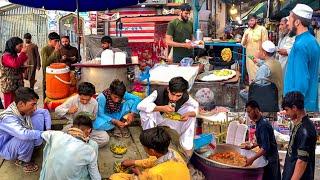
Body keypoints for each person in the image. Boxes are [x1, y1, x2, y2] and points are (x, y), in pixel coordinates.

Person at [138, 77, 198, 156]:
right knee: (145, 111)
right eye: (172, 94)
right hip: (158, 118)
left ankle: (185, 146)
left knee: (191, 112)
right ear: (168, 89)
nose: (174, 98)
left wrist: (188, 114)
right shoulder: (158, 92)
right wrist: (161, 108)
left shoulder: (185, 96)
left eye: (178, 96)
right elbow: (140, 106)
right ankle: (150, 139)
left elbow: (196, 106)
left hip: (172, 120)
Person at [109, 127, 190, 180]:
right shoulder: (174, 153)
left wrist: (139, 174)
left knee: (114, 177)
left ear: (152, 151)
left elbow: (152, 174)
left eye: (144, 146)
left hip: (155, 175)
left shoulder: (154, 173)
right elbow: (153, 160)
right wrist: (133, 162)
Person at [40, 115, 101, 180]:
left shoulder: (56, 135)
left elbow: (41, 134)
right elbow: (95, 177)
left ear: (72, 127)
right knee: (93, 146)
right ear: (89, 131)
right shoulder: (89, 150)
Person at [284, 4, 320, 111]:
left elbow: (301, 80)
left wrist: (293, 108)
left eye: (289, 18)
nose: (287, 23)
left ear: (297, 22)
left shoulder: (300, 45)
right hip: (309, 102)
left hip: (298, 107)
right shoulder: (312, 41)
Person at [0, 87, 44, 173]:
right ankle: (22, 161)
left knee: (38, 116)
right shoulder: (8, 117)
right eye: (33, 104)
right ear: (21, 104)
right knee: (26, 137)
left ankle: (32, 147)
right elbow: (23, 135)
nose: (35, 108)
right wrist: (42, 133)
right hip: (6, 148)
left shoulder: (20, 110)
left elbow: (43, 112)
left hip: (14, 141)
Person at [55, 82, 109, 147]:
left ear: (91, 96)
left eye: (88, 99)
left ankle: (80, 144)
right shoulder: (73, 99)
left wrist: (93, 118)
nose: (85, 102)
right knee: (60, 137)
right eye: (82, 99)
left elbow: (94, 116)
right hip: (74, 126)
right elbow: (57, 110)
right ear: (79, 95)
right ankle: (84, 144)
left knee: (105, 138)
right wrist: (68, 111)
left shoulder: (94, 103)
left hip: (87, 129)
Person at [281, 91, 317, 180]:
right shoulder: (299, 124)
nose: (286, 113)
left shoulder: (306, 129)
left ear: (294, 108)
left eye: (287, 110)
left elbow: (302, 161)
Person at [242, 100, 281, 180]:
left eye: (249, 112)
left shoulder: (263, 125)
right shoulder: (259, 122)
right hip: (268, 157)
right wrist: (251, 147)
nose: (248, 115)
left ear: (256, 110)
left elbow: (265, 148)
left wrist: (251, 159)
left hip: (270, 159)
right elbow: (262, 142)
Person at [0, 37, 28, 108]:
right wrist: (23, 53)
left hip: (16, 85)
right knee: (10, 107)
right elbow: (15, 64)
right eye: (20, 46)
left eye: (22, 46)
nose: (21, 48)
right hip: (9, 86)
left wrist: (23, 68)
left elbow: (15, 67)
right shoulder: (6, 56)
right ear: (13, 46)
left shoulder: (13, 55)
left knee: (17, 106)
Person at [241, 14, 268, 82]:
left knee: (259, 77)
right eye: (249, 21)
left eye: (252, 20)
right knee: (251, 77)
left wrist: (263, 57)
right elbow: (243, 44)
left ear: (256, 20)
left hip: (259, 58)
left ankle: (258, 91)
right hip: (249, 58)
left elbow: (265, 44)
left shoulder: (262, 29)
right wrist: (245, 38)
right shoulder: (247, 31)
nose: (250, 22)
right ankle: (252, 90)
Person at [40, 32, 61, 99]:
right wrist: (55, 51)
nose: (57, 43)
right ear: (50, 41)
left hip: (56, 74)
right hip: (48, 75)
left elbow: (58, 60)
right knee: (47, 93)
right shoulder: (44, 49)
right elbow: (45, 63)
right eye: (55, 41)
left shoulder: (57, 48)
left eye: (58, 41)